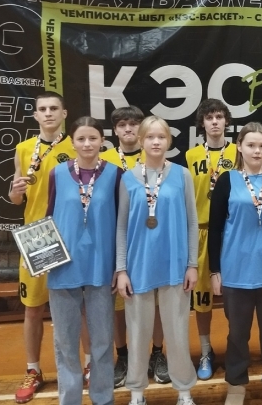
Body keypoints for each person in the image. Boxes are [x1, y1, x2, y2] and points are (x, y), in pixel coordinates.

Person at [208, 122, 262, 405]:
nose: (257, 151)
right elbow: (215, 228)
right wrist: (214, 270)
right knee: (237, 334)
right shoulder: (227, 180)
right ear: (239, 147)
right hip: (236, 270)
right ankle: (236, 384)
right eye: (251, 145)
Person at [115, 116, 199, 405]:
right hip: (138, 267)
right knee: (138, 333)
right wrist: (121, 269)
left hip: (175, 265)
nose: (155, 142)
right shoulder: (127, 178)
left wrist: (192, 264)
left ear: (168, 141)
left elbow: (191, 222)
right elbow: (121, 227)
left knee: (177, 333)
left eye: (161, 137)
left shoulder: (182, 175)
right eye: (150, 137)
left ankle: (184, 391)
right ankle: (137, 393)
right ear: (140, 141)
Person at [45, 117, 122, 405]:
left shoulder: (115, 174)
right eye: (81, 139)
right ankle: (70, 399)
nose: (87, 144)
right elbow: (49, 217)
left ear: (102, 140)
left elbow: (122, 223)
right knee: (65, 342)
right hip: (62, 267)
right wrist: (38, 256)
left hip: (101, 267)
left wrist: (120, 266)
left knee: (102, 340)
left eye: (93, 138)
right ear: (72, 142)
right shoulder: (56, 173)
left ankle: (103, 398)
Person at [9, 91, 76, 403]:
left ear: (64, 113)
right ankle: (33, 370)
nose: (48, 113)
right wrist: (15, 191)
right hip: (37, 236)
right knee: (33, 309)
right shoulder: (23, 149)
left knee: (79, 305)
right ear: (35, 115)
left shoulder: (76, 145)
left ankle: (88, 365)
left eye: (53, 108)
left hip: (70, 234)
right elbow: (16, 198)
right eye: (43, 109)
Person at [100, 107, 169, 388]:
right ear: (115, 130)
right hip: (115, 236)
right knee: (120, 299)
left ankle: (157, 353)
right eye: (122, 124)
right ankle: (124, 355)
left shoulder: (153, 155)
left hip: (149, 237)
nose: (128, 129)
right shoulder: (104, 160)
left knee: (156, 299)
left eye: (133, 124)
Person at [185, 99, 237, 380]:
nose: (214, 122)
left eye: (219, 116)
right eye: (209, 117)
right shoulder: (191, 155)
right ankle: (206, 350)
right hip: (201, 232)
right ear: (202, 123)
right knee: (202, 298)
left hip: (231, 231)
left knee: (233, 297)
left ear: (226, 121)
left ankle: (235, 347)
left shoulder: (239, 151)